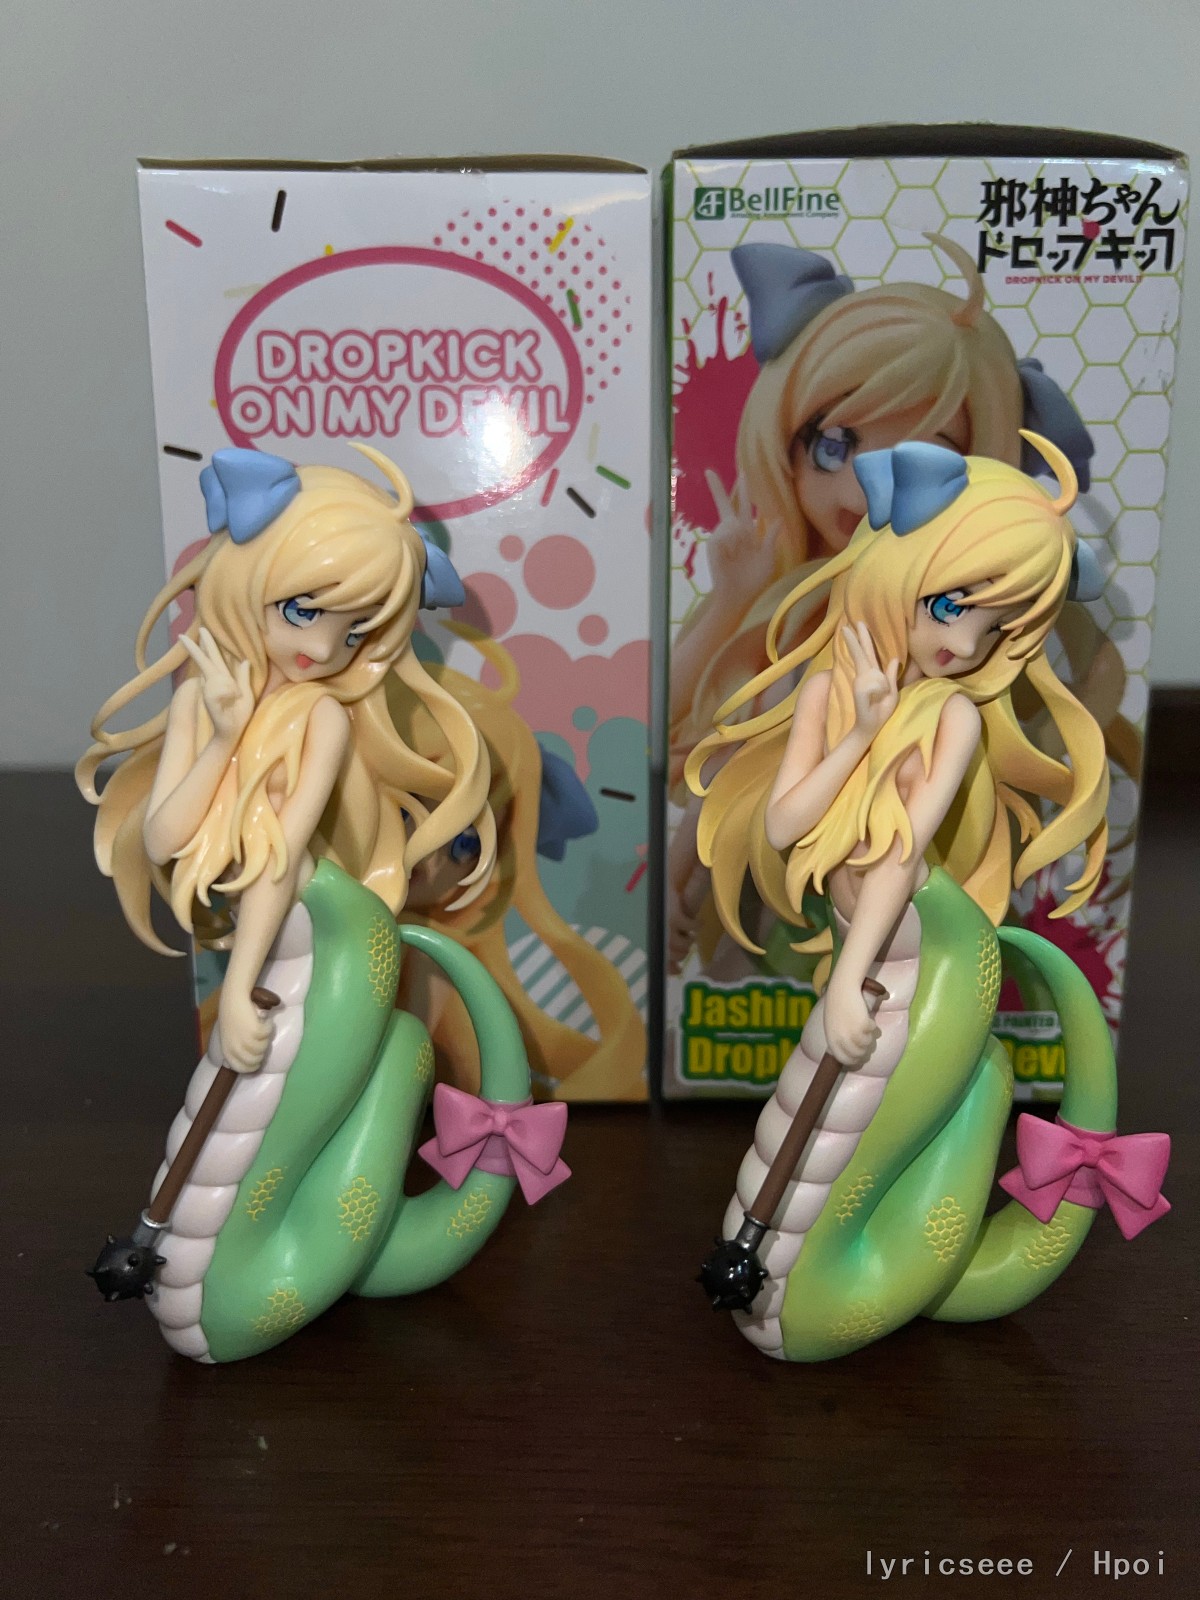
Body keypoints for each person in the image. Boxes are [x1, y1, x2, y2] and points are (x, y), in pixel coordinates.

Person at [78, 446, 565, 1361]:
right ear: (248, 582)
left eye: (353, 630)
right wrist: (222, 737)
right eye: (304, 610)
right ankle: (318, 1236)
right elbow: (166, 837)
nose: (321, 647)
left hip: (330, 955)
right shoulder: (205, 700)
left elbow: (280, 865)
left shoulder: (327, 717)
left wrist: (240, 988)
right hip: (293, 955)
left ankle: (361, 1216)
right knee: (279, 1110)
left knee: (382, 1061)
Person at [687, 435, 1167, 1361]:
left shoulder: (953, 714)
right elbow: (783, 824)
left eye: (996, 627)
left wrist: (847, 981)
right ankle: (799, 1277)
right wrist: (858, 730)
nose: (965, 644)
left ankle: (829, 1290)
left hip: (928, 962)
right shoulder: (832, 691)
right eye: (952, 605)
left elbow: (901, 856)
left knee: (863, 1124)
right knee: (810, 1124)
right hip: (875, 960)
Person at [667, 235, 1127, 975]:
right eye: (833, 445)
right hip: (787, 880)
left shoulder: (969, 623)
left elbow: (1086, 679)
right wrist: (730, 601)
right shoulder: (791, 607)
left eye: (917, 460)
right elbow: (712, 749)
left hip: (918, 878)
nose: (859, 487)